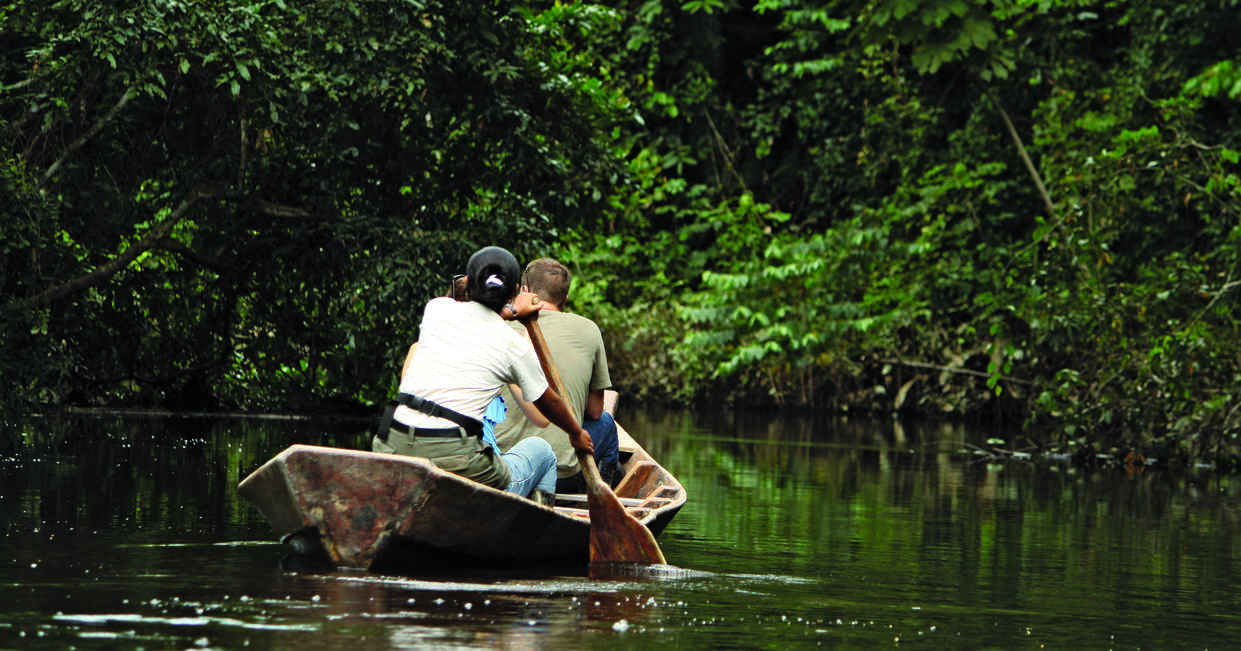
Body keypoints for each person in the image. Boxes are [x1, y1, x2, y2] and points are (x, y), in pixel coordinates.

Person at [373, 246, 593, 506]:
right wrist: (576, 433)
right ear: (514, 293)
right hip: (457, 457)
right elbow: (549, 405)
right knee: (543, 452)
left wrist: (511, 312)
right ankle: (530, 526)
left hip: (391, 443)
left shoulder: (436, 309)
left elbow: (477, 316)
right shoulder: (513, 344)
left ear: (467, 284)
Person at [494, 257, 622, 493]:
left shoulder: (497, 327)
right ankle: (601, 495)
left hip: (502, 467)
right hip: (564, 474)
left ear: (524, 291)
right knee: (606, 422)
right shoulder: (588, 329)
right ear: (565, 299)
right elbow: (594, 411)